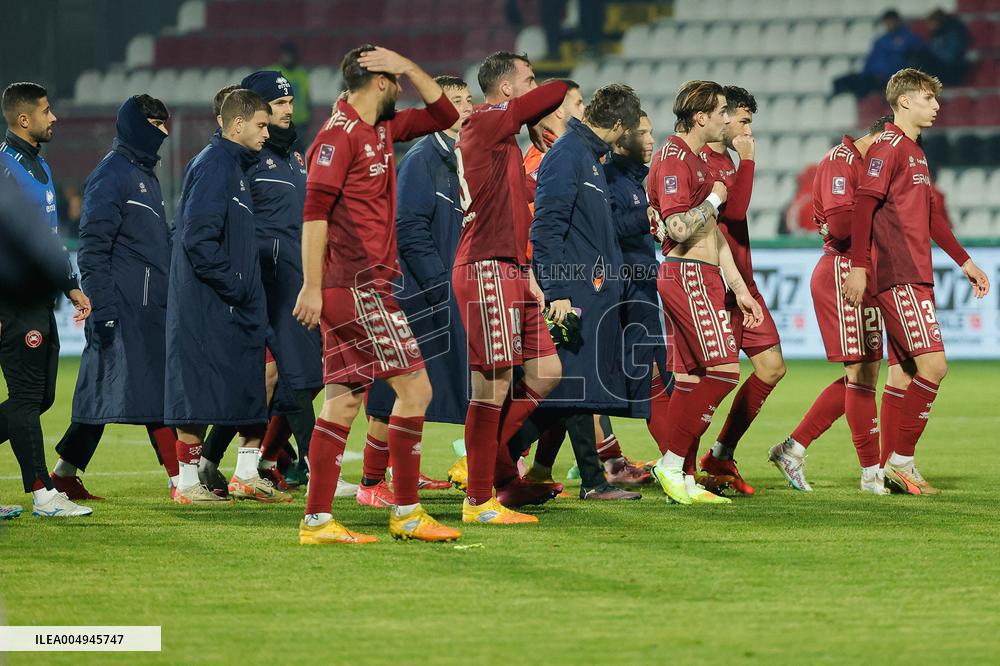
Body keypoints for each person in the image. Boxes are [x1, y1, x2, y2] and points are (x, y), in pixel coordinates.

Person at [293, 45, 462, 544]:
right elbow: (314, 216)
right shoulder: (337, 137)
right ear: (381, 83)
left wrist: (408, 64)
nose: (403, 87)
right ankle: (407, 512)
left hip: (360, 285)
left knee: (343, 403)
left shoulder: (382, 127)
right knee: (417, 390)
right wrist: (311, 286)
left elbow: (444, 115)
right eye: (398, 80)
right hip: (357, 286)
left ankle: (317, 521)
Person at [842, 68, 990, 495]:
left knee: (905, 373)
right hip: (899, 272)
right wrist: (859, 265)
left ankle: (889, 467)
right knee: (934, 367)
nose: (937, 106)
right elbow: (863, 205)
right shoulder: (888, 147)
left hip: (915, 272)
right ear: (904, 101)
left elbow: (929, 215)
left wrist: (964, 261)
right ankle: (900, 462)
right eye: (928, 98)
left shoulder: (915, 151)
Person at [451, 52, 567, 523]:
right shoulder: (485, 120)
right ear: (505, 89)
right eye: (527, 79)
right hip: (486, 268)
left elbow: (518, 203)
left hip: (514, 269)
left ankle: (494, 465)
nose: (535, 85)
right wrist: (536, 113)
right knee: (491, 388)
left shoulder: (503, 142)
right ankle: (480, 498)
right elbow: (558, 91)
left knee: (546, 370)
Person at [48, 95, 180, 501]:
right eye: (156, 124)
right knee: (152, 392)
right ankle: (181, 478)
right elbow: (92, 248)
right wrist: (103, 309)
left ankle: (64, 474)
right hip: (122, 307)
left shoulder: (144, 175)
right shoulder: (112, 174)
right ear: (137, 125)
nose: (164, 132)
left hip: (146, 306)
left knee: (103, 392)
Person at [165, 89, 291, 505]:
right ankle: (187, 483)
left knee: (253, 381)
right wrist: (235, 285)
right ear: (237, 124)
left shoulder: (233, 165)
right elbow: (198, 239)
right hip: (211, 303)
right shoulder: (215, 165)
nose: (266, 133)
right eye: (260, 125)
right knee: (198, 390)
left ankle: (245, 474)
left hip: (234, 303)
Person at [359, 74, 476, 507]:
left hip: (440, 288)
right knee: (394, 388)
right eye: (455, 99)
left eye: (468, 99)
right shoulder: (422, 157)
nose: (466, 106)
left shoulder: (458, 158)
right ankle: (371, 482)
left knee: (420, 388)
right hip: (414, 293)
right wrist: (441, 285)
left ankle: (400, 469)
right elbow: (408, 228)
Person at [647, 80, 763, 506]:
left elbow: (713, 234)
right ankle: (671, 462)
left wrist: (739, 288)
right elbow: (678, 228)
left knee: (692, 379)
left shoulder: (695, 158)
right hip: (687, 275)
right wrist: (714, 199)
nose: (726, 119)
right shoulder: (674, 158)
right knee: (725, 371)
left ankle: (683, 474)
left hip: (707, 274)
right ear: (700, 118)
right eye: (720, 112)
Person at [528, 83, 643, 501]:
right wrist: (557, 289)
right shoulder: (568, 154)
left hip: (591, 290)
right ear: (619, 125)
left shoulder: (587, 156)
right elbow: (546, 227)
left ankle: (577, 478)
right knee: (571, 390)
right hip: (574, 291)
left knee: (574, 392)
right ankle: (497, 461)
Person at [771, 116, 894, 494]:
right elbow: (840, 227)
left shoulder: (870, 165)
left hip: (865, 269)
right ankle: (871, 473)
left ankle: (793, 448)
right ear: (882, 136)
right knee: (859, 373)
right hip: (844, 271)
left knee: (866, 374)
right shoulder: (840, 160)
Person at [0, 82, 93, 518]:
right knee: (25, 397)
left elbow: (46, 239)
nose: (54, 117)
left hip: (39, 299)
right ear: (24, 119)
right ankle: (42, 492)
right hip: (11, 301)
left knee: (41, 398)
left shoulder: (39, 165)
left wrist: (70, 285)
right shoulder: (4, 167)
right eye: (46, 110)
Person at [696, 86, 785, 495]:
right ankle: (679, 463)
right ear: (724, 117)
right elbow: (735, 210)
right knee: (710, 379)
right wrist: (748, 159)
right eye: (744, 121)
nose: (749, 130)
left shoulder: (725, 159)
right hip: (715, 285)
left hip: (742, 284)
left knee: (771, 367)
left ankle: (720, 454)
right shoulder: (704, 160)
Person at [601, 109, 668, 484]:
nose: (651, 139)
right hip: (625, 289)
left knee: (658, 370)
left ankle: (676, 460)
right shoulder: (610, 177)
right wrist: (648, 218)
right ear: (621, 139)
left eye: (652, 132)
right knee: (649, 372)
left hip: (642, 285)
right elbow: (608, 226)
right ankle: (677, 463)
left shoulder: (636, 179)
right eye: (643, 133)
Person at [833, 10, 923, 98]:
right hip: (871, 76)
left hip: (889, 78)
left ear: (898, 21)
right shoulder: (880, 41)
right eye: (887, 21)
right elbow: (870, 60)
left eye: (891, 21)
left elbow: (918, 49)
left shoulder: (907, 38)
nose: (889, 24)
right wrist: (865, 73)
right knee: (840, 82)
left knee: (863, 87)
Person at [913, 9, 969, 85]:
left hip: (953, 70)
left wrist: (932, 50)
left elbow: (950, 57)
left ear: (937, 22)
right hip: (941, 68)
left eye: (931, 23)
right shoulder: (936, 33)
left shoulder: (952, 33)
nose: (929, 26)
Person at [273, 41, 312, 139]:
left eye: (289, 55)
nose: (286, 58)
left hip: (301, 123)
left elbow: (306, 97)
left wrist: (309, 118)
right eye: (284, 55)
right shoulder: (273, 73)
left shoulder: (301, 73)